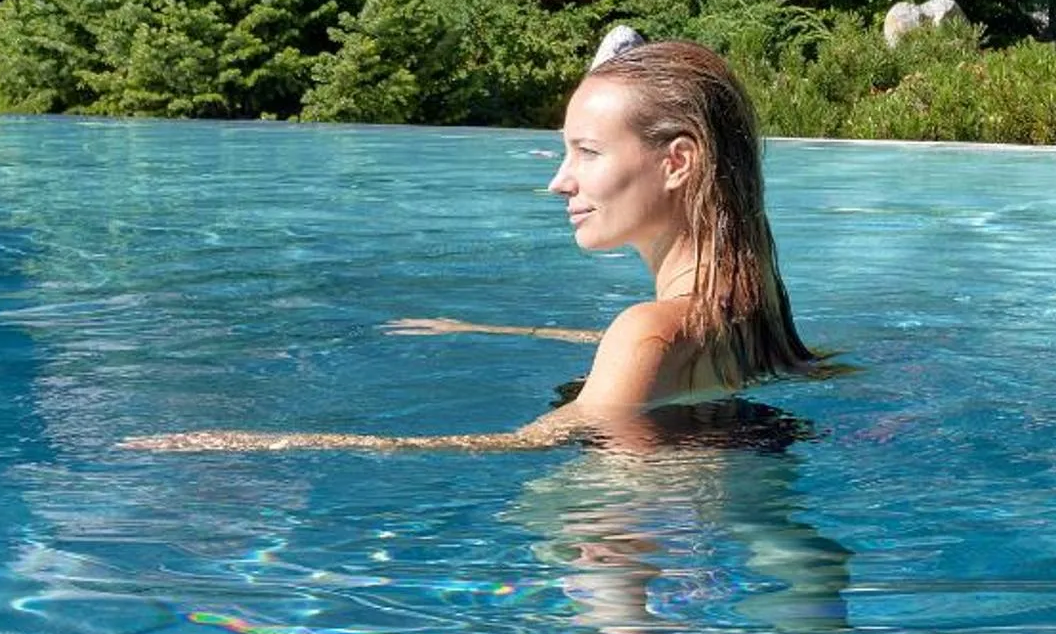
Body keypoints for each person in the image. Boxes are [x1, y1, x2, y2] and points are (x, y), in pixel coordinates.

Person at [120, 38, 824, 453]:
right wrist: (490, 326)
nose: (558, 182)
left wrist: (258, 441)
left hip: (626, 544)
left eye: (584, 152)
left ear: (677, 162)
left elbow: (516, 446)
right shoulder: (741, 297)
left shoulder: (647, 331)